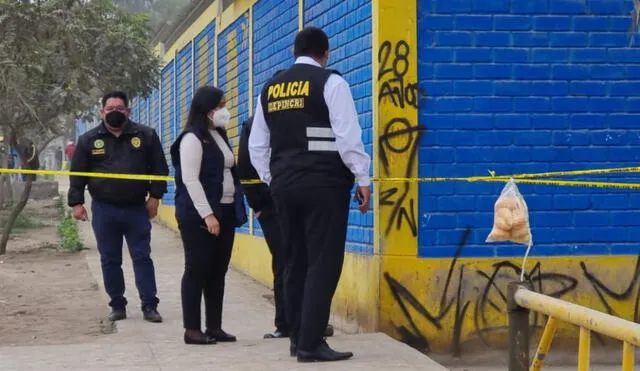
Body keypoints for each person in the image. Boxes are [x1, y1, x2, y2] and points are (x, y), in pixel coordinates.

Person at [248, 27, 371, 362]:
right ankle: (311, 342)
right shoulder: (331, 82)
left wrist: (274, 178)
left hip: (284, 187)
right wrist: (363, 178)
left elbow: (256, 145)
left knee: (295, 260)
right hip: (325, 185)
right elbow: (347, 136)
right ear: (326, 52)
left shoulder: (270, 89)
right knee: (323, 261)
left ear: (294, 51)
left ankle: (296, 336)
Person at [68, 91, 169, 323]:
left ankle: (149, 305)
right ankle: (117, 305)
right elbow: (78, 175)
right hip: (104, 210)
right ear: (102, 112)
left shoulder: (146, 135)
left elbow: (160, 170)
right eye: (110, 108)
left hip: (136, 208)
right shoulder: (88, 140)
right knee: (110, 259)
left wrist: (155, 198)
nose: (115, 112)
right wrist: (76, 203)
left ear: (128, 111)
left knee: (142, 257)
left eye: (120, 108)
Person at [237, 113, 335, 340]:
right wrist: (258, 205)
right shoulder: (254, 124)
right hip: (271, 206)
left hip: (301, 200)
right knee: (285, 261)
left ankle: (311, 321)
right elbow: (245, 165)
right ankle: (287, 323)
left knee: (309, 261)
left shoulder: (303, 118)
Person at [170, 86, 247, 345]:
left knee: (217, 271)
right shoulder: (192, 138)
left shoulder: (219, 135)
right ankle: (192, 329)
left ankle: (214, 326)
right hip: (198, 215)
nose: (226, 110)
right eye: (221, 105)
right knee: (197, 269)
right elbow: (190, 180)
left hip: (225, 209)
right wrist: (208, 216)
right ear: (207, 109)